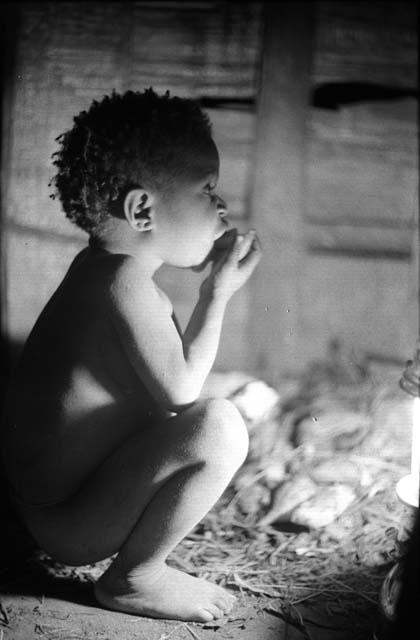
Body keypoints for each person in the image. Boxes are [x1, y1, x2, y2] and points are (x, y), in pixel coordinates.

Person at [0, 89, 262, 622]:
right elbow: (182, 391)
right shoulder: (126, 284)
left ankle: (137, 567)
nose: (222, 206)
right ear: (142, 209)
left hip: (49, 509)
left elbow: (156, 401)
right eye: (207, 188)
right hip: (70, 523)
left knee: (204, 416)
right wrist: (216, 294)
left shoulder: (103, 271)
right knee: (222, 427)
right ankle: (134, 577)